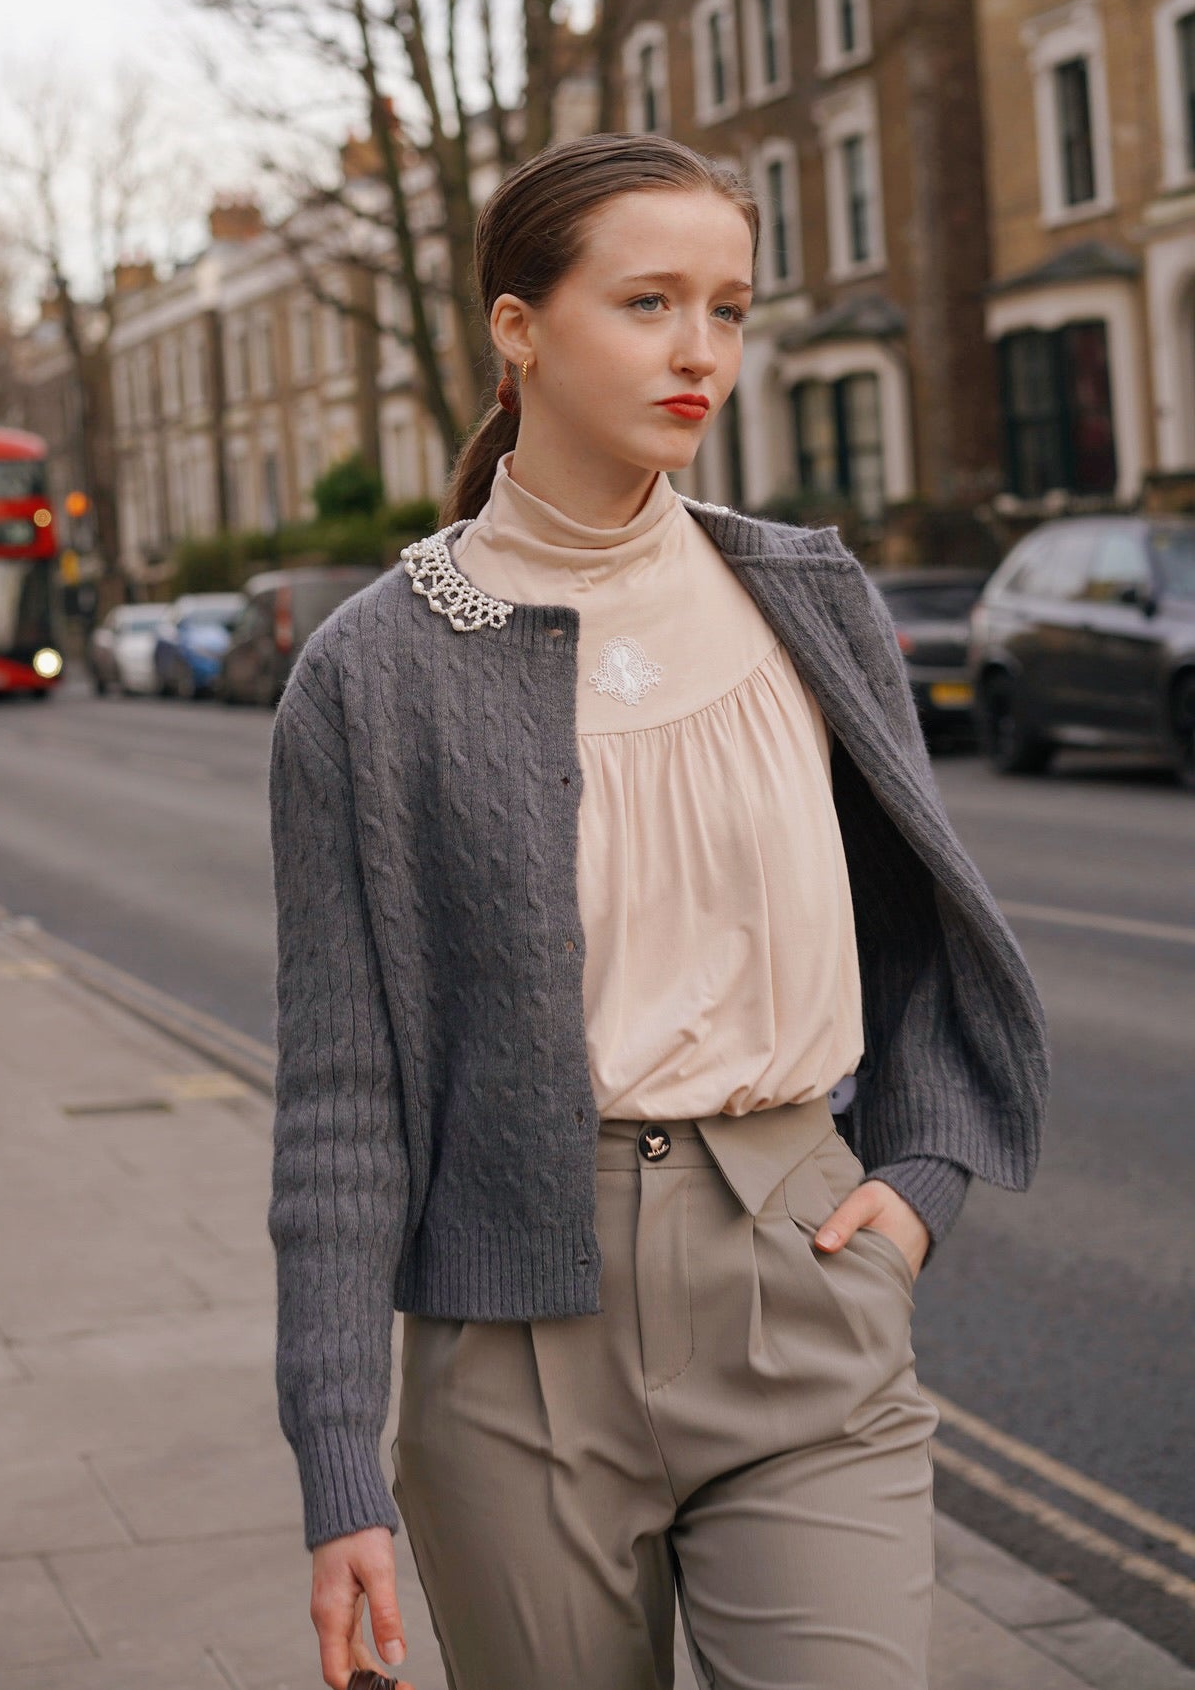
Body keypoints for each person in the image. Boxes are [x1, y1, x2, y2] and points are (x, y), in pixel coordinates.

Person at [267, 132, 1048, 1690]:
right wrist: (338, 1461)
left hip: (799, 1273)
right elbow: (345, 1103)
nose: (702, 352)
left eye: (731, 308)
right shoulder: (370, 674)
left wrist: (917, 1187)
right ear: (519, 327)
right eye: (648, 302)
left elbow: (923, 940)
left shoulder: (805, 598)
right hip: (513, 1350)